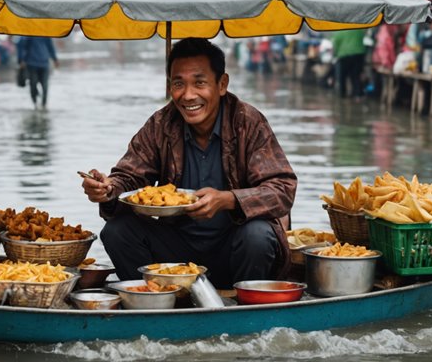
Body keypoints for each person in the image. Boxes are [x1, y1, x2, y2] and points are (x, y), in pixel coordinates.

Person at [80, 38, 298, 289]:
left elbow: (282, 189)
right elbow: (130, 177)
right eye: (178, 84)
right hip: (176, 253)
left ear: (222, 84)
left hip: (236, 250)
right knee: (117, 231)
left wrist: (227, 200)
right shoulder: (161, 124)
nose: (188, 95)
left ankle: (244, 313)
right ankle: (153, 302)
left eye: (200, 83)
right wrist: (108, 189)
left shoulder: (247, 122)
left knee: (258, 234)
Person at [17, 35, 59, 109]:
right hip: (32, 64)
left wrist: (55, 59)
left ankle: (43, 104)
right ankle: (35, 103)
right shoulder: (28, 34)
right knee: (33, 85)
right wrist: (21, 60)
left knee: (44, 86)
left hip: (44, 64)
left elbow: (50, 46)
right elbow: (21, 45)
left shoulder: (46, 33)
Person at [332, 27, 367, 98]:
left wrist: (335, 55)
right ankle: (357, 95)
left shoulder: (339, 30)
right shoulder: (359, 28)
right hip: (359, 54)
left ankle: (342, 96)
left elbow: (335, 44)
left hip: (344, 55)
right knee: (356, 76)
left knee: (342, 78)